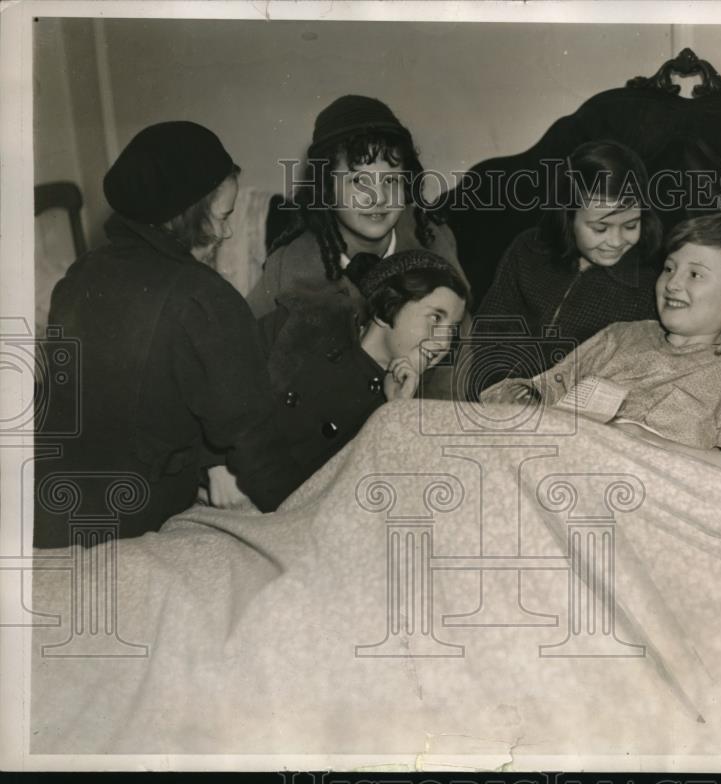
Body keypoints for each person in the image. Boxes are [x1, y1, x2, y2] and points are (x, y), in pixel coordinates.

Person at [35, 121, 310, 549]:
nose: (229, 232)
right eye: (223, 217)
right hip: (126, 518)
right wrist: (308, 515)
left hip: (44, 505)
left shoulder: (80, 273)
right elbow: (256, 443)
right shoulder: (206, 299)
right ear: (188, 217)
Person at [481, 212, 721, 482]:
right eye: (670, 268)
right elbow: (542, 390)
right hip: (555, 466)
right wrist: (523, 400)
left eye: (695, 274)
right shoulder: (621, 337)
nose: (673, 284)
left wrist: (645, 442)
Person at [466, 140, 721, 401]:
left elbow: (714, 303)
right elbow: (491, 329)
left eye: (630, 225)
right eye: (600, 227)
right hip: (497, 393)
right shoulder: (529, 250)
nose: (616, 241)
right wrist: (499, 390)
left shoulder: (651, 275)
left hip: (578, 414)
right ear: (567, 216)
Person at [246, 95, 468, 321]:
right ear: (327, 188)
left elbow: (464, 343)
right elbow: (248, 345)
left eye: (391, 181)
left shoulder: (433, 241)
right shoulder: (290, 266)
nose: (379, 198)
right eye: (360, 182)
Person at [259, 249, 469, 480]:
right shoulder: (303, 325)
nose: (444, 343)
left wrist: (397, 411)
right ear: (385, 307)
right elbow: (225, 370)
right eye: (435, 318)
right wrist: (216, 465)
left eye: (452, 329)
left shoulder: (412, 401)